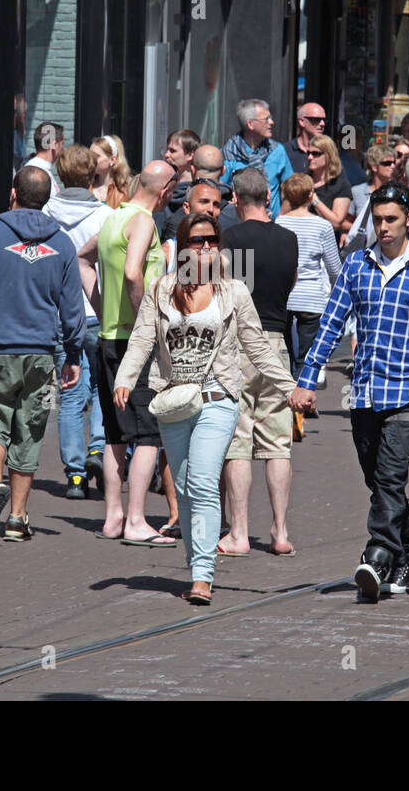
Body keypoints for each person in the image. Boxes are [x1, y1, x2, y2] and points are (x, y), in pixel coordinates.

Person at [114, 211, 295, 605]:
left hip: (219, 399)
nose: (207, 246)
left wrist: (290, 387)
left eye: (213, 239)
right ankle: (197, 559)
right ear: (182, 245)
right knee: (183, 489)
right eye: (198, 240)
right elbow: (143, 339)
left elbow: (258, 348)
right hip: (175, 401)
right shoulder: (162, 290)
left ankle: (202, 576)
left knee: (202, 481)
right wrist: (124, 378)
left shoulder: (233, 292)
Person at [289, 184, 409, 602]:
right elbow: (330, 323)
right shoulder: (356, 266)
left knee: (390, 475)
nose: (382, 228)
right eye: (377, 220)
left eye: (390, 220)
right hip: (364, 391)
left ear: (408, 221)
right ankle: (408, 547)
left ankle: (378, 553)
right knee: (377, 479)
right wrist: (307, 380)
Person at [0, 166, 84, 542]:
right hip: (42, 356)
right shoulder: (62, 243)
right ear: (46, 199)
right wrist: (73, 353)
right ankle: (17, 516)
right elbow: (72, 309)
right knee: (29, 432)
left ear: (13, 193)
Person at [89, 160, 179, 546]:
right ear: (166, 190)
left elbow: (82, 258)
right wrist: (148, 323)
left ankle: (114, 516)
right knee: (148, 433)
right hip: (131, 342)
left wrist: (101, 306)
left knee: (115, 432)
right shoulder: (143, 221)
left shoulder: (114, 217)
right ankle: (137, 520)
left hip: (109, 337)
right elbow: (131, 272)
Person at [219, 169, 300, 557]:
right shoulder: (289, 240)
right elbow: (292, 282)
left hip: (235, 344)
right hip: (276, 344)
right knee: (278, 443)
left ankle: (239, 532)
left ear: (235, 199)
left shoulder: (227, 239)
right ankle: (280, 531)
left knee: (238, 441)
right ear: (268, 195)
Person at [43, 146, 112, 500]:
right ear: (92, 176)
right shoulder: (107, 216)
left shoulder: (44, 214)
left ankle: (73, 475)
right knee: (102, 386)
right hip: (97, 310)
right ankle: (97, 450)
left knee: (69, 392)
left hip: (58, 314)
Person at [277, 173, 343, 383]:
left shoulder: (279, 222)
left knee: (285, 355)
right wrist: (336, 292)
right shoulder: (322, 226)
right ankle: (304, 396)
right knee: (307, 357)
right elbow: (334, 268)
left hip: (284, 294)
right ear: (310, 195)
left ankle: (288, 400)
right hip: (312, 297)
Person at [220, 99, 293, 217]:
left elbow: (291, 189)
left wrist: (280, 216)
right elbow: (221, 191)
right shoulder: (229, 154)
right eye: (266, 119)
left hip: (272, 225)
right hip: (240, 224)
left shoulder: (277, 151)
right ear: (250, 124)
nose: (271, 122)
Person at [345, 143, 401, 248]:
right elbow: (346, 221)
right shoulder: (358, 191)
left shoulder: (398, 192)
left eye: (394, 162)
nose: (393, 166)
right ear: (374, 167)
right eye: (387, 163)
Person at [303, 134, 352, 235]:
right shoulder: (303, 180)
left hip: (325, 243)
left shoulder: (341, 184)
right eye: (308, 153)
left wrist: (315, 200)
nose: (310, 157)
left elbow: (336, 223)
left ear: (328, 156)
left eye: (315, 153)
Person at [91, 135, 130, 209]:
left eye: (96, 156)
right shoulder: (86, 186)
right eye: (90, 155)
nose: (91, 160)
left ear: (112, 160)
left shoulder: (125, 191)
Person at [287, 103, 328, 173]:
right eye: (316, 119)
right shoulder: (284, 152)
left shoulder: (328, 151)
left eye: (324, 120)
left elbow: (341, 182)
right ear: (302, 122)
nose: (322, 124)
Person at [25, 121, 64, 194]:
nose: (63, 149)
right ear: (54, 144)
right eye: (62, 144)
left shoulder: (37, 168)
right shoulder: (34, 173)